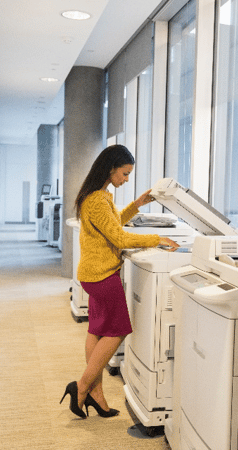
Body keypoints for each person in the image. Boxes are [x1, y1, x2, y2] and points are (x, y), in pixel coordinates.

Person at [60, 144, 179, 419]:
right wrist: (157, 239)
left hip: (93, 274)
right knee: (118, 330)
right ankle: (81, 388)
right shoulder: (98, 200)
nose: (126, 179)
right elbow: (120, 238)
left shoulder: (99, 195)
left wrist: (136, 206)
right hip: (102, 276)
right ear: (111, 168)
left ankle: (96, 394)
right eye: (124, 173)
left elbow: (113, 225)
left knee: (97, 331)